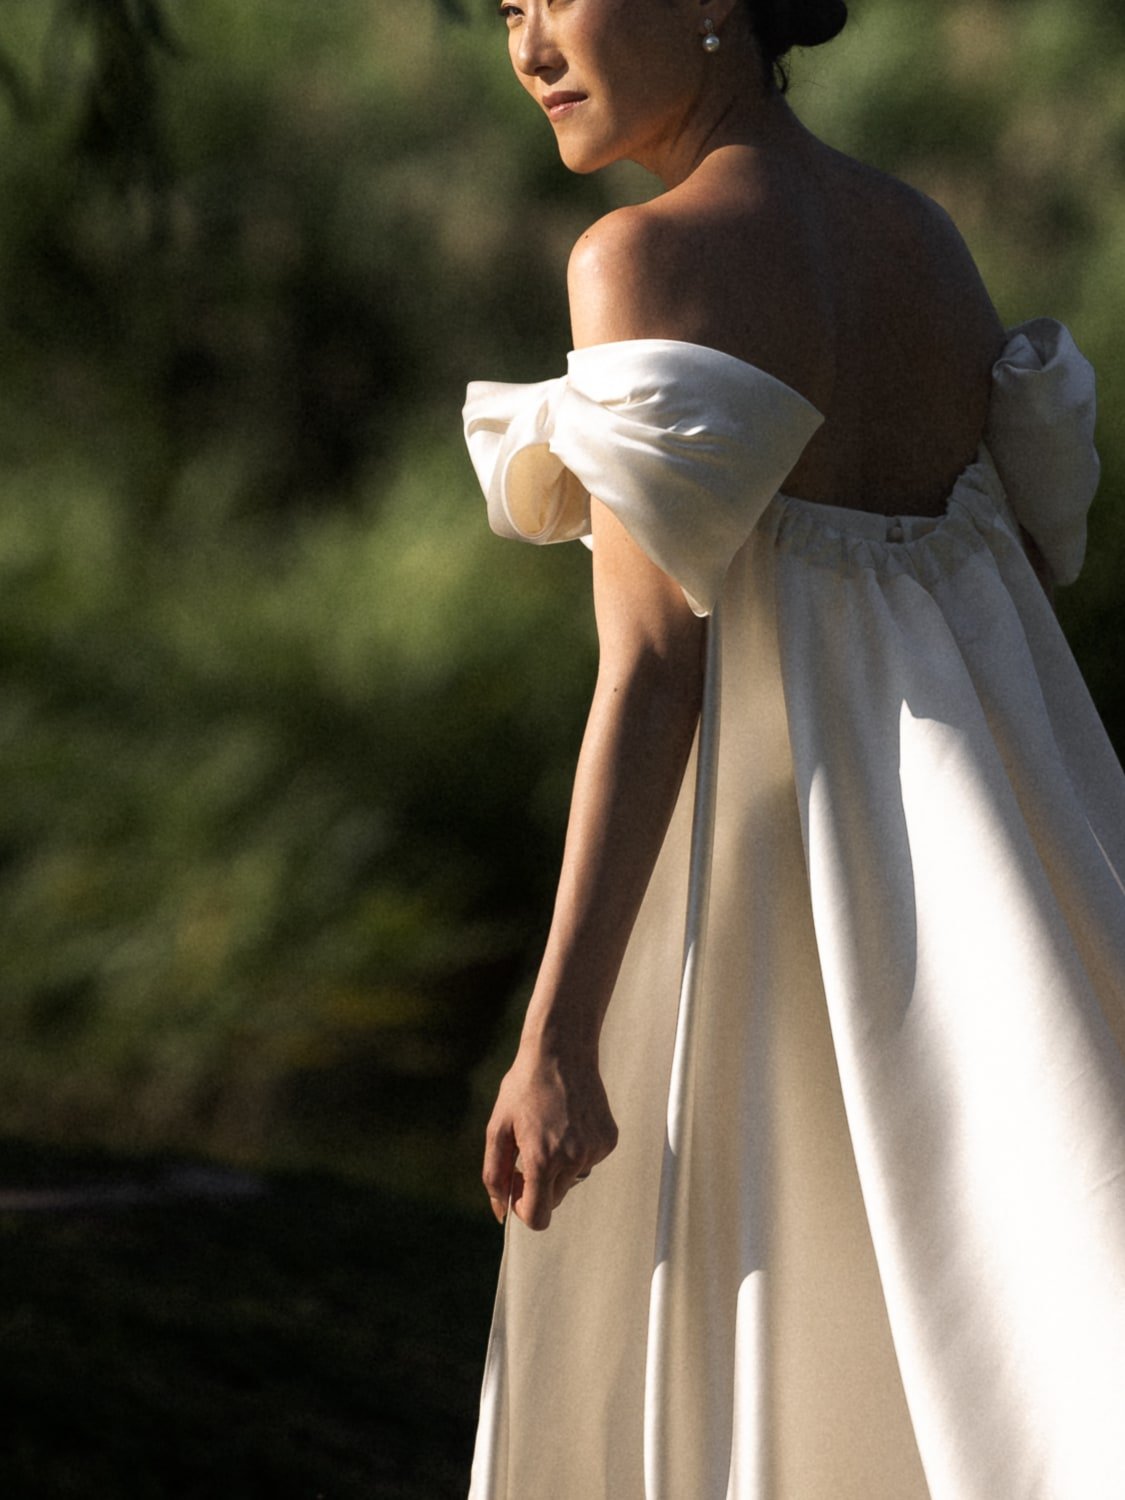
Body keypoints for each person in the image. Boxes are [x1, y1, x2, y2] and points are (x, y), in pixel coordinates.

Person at [461, 1, 1125, 1495]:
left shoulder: (637, 258)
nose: (528, 48)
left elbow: (652, 672)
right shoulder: (921, 238)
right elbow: (1013, 570)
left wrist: (558, 1034)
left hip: (774, 879)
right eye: (505, 8)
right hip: (984, 864)